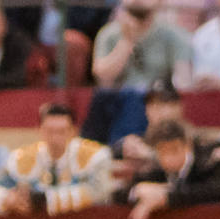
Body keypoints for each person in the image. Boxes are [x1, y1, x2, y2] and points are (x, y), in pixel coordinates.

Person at [0, 101, 114, 216]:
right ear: (39, 130)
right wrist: (7, 199)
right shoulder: (23, 159)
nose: (55, 138)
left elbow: (101, 192)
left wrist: (46, 200)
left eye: (61, 131)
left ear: (73, 131)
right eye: (49, 131)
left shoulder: (95, 157)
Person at [81, 0, 192, 144]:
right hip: (117, 105)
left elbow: (184, 81)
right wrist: (126, 41)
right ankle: (116, 146)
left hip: (157, 100)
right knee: (110, 96)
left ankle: (124, 145)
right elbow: (103, 80)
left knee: (139, 97)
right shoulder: (109, 34)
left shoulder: (174, 35)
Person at [122, 119, 220, 219]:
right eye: (163, 152)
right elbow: (120, 194)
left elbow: (215, 190)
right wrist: (137, 191)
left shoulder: (209, 161)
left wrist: (166, 196)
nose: (168, 158)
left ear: (187, 146)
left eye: (173, 150)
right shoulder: (155, 168)